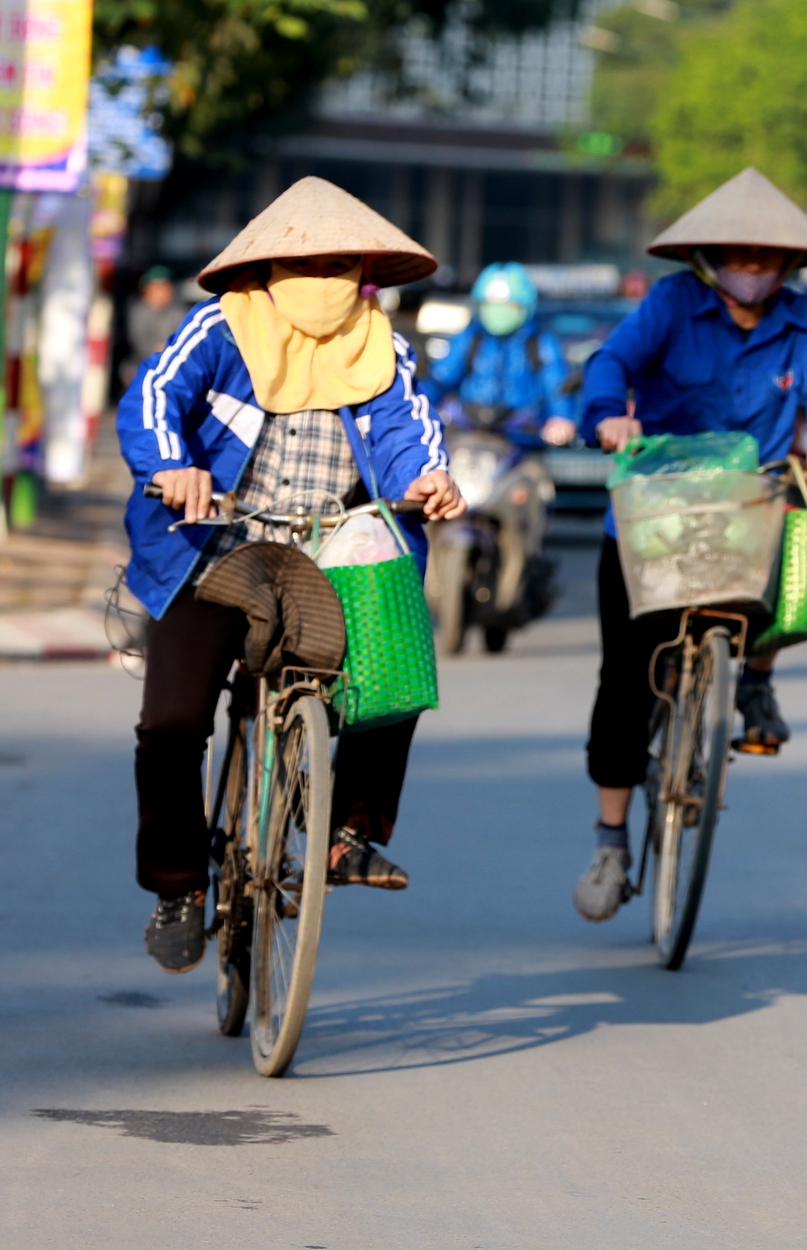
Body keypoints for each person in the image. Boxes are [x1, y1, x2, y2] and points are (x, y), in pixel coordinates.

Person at [117, 176, 466, 973]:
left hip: (330, 551)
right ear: (267, 269)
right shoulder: (219, 327)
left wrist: (427, 480)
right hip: (214, 547)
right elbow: (154, 398)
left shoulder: (382, 344)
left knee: (394, 676)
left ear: (364, 276)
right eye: (310, 264)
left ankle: (348, 836)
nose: (326, 282)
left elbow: (408, 431)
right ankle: (177, 885)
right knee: (170, 726)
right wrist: (173, 467)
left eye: (343, 266)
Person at [571, 167, 807, 922]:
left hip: (751, 502)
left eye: (769, 258)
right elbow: (613, 363)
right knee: (626, 680)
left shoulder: (805, 323)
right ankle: (610, 837)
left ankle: (753, 674)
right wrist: (608, 415)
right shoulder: (670, 304)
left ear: (790, 265)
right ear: (709, 258)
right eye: (741, 255)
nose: (755, 268)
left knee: (802, 538)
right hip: (656, 507)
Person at [423, 262, 578, 443]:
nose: (497, 312)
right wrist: (420, 407)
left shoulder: (539, 342)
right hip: (470, 435)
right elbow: (440, 378)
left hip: (522, 439)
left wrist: (561, 419)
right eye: (489, 305)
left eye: (509, 305)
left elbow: (557, 386)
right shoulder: (470, 337)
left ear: (526, 306)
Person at [123, 267, 187, 388]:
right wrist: (159, 349)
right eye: (158, 288)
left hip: (174, 364)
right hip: (143, 364)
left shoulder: (179, 312)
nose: (163, 292)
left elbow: (185, 338)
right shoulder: (139, 312)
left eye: (166, 287)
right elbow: (138, 342)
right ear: (147, 290)